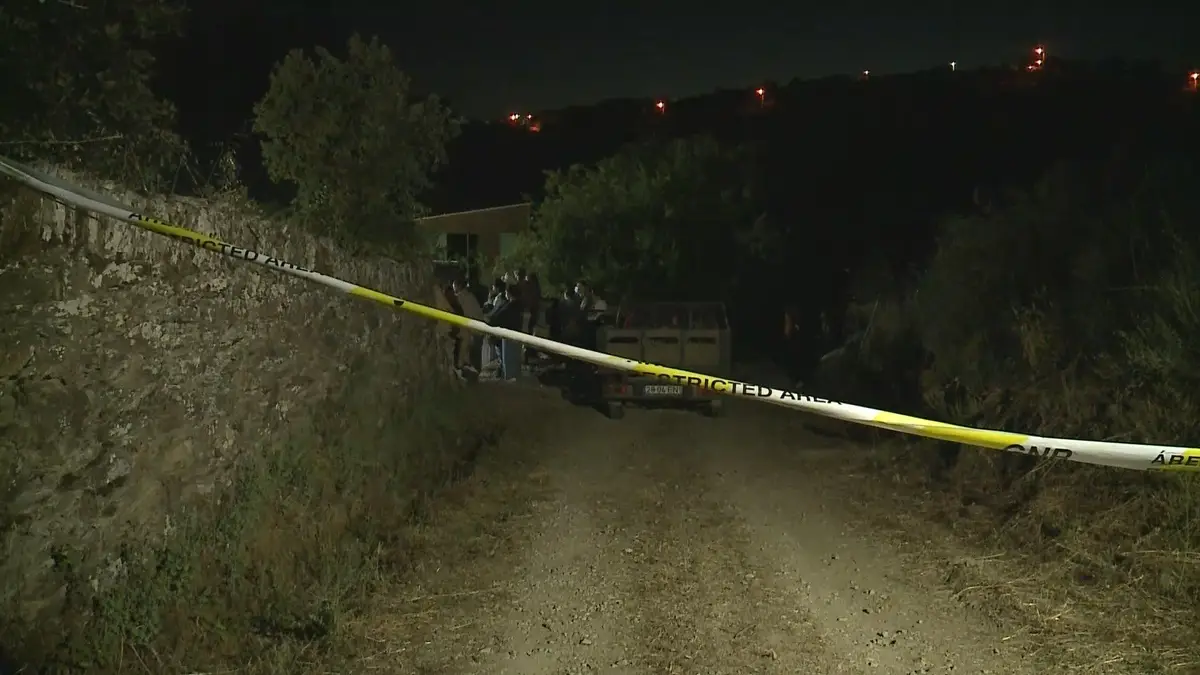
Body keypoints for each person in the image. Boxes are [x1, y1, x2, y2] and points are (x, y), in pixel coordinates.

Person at [485, 284, 524, 381]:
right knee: (513, 358)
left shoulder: (509, 306)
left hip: (507, 335)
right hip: (516, 334)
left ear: (509, 293)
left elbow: (499, 317)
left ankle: (507, 377)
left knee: (506, 358)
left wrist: (489, 321)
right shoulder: (518, 306)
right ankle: (511, 375)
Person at [451, 277, 484, 375]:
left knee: (469, 356)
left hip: (470, 330)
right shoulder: (471, 296)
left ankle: (472, 376)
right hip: (479, 328)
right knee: (476, 355)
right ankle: (477, 375)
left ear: (458, 286)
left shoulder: (459, 298)